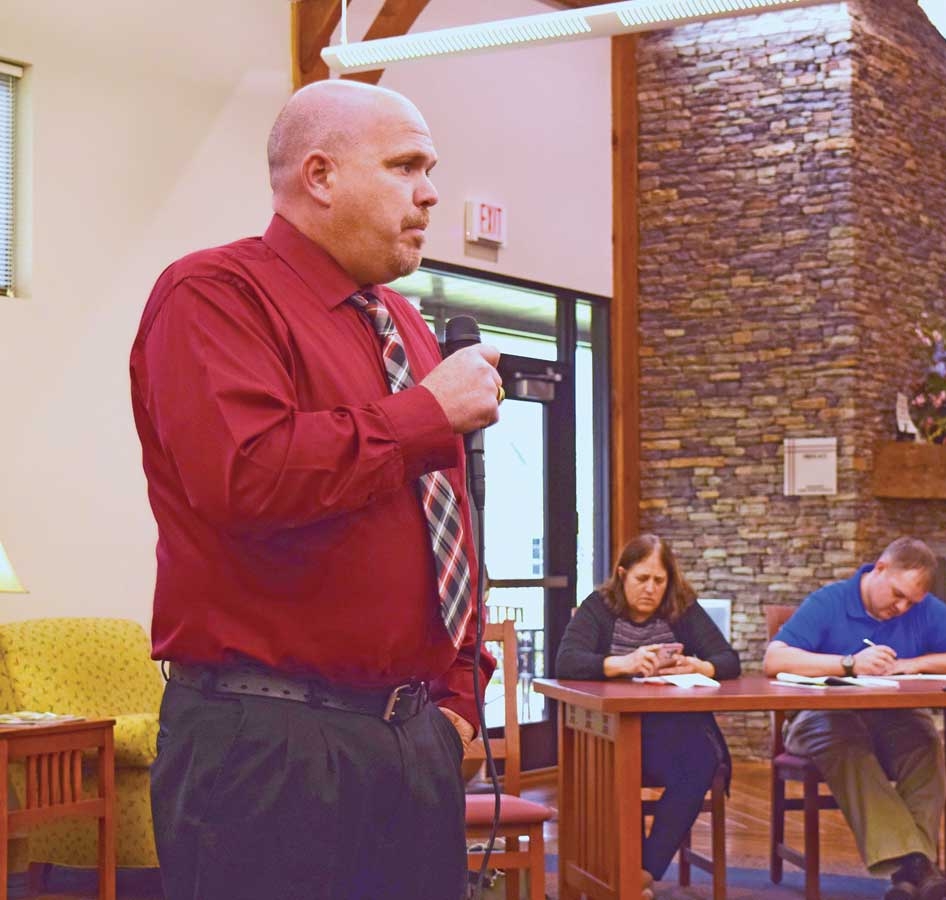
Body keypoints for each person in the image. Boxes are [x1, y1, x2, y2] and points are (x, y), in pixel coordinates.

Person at [129, 80, 503, 900]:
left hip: (410, 738)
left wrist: (459, 698)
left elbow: (448, 523)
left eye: (430, 168)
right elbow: (246, 476)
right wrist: (425, 414)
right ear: (322, 176)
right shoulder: (216, 294)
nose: (431, 191)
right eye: (406, 165)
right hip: (268, 743)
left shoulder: (402, 324)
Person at [763, 537, 946, 900]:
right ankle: (918, 865)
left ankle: (907, 880)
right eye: (897, 595)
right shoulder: (830, 601)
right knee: (846, 745)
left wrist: (917, 663)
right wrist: (848, 663)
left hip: (890, 715)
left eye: (911, 602)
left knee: (924, 743)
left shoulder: (922, 609)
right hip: (820, 715)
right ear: (880, 569)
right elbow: (774, 660)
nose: (902, 608)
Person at [556, 534, 741, 899]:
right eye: (642, 579)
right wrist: (619, 664)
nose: (651, 589)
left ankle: (641, 873)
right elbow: (566, 660)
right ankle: (624, 874)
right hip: (613, 729)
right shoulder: (599, 606)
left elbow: (729, 660)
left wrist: (700, 665)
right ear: (622, 575)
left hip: (673, 730)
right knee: (617, 766)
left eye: (659, 581)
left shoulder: (682, 607)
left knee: (702, 761)